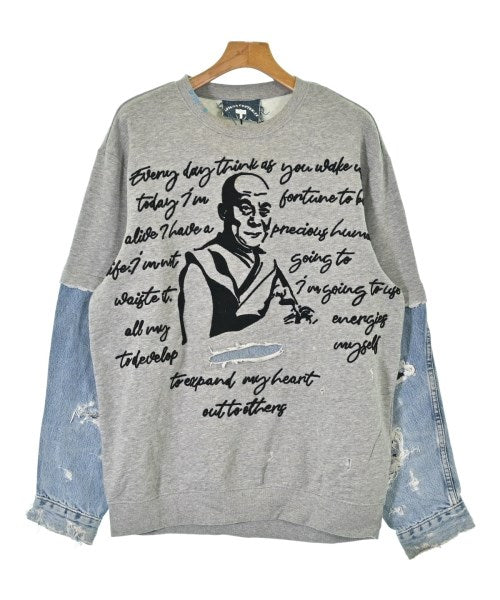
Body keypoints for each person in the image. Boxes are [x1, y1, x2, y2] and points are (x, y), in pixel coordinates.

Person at [178, 172, 315, 345]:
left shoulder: (267, 265)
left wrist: (302, 321)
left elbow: (289, 327)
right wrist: (265, 325)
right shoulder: (201, 266)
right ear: (224, 212)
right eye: (245, 209)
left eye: (264, 210)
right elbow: (196, 350)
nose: (256, 220)